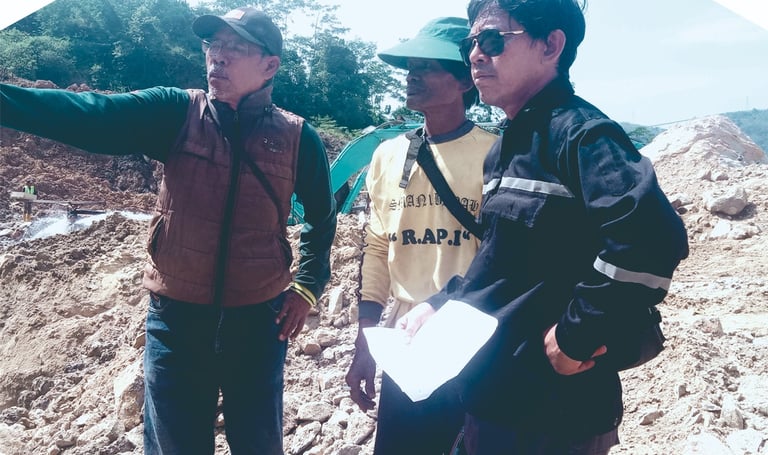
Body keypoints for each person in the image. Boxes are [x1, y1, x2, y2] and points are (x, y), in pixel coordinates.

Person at [1, 7, 336, 454]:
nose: (218, 56)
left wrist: (308, 286)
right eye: (213, 45)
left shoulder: (297, 138)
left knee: (258, 443)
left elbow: (322, 216)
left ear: (270, 65)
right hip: (177, 321)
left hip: (258, 322)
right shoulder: (178, 112)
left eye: (235, 48)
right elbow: (93, 115)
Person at [396, 1, 689, 454]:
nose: (475, 54)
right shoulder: (506, 149)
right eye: (471, 42)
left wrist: (576, 336)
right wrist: (440, 303)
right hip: (496, 397)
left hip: (553, 417)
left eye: (492, 40)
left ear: (551, 45)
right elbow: (499, 264)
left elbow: (649, 240)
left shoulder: (583, 136)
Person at [344, 17, 497, 455]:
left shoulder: (495, 153)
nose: (412, 76)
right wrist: (366, 343)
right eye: (411, 67)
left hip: (474, 336)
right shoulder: (387, 156)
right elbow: (378, 248)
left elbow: (503, 253)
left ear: (465, 81)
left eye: (427, 66)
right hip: (406, 339)